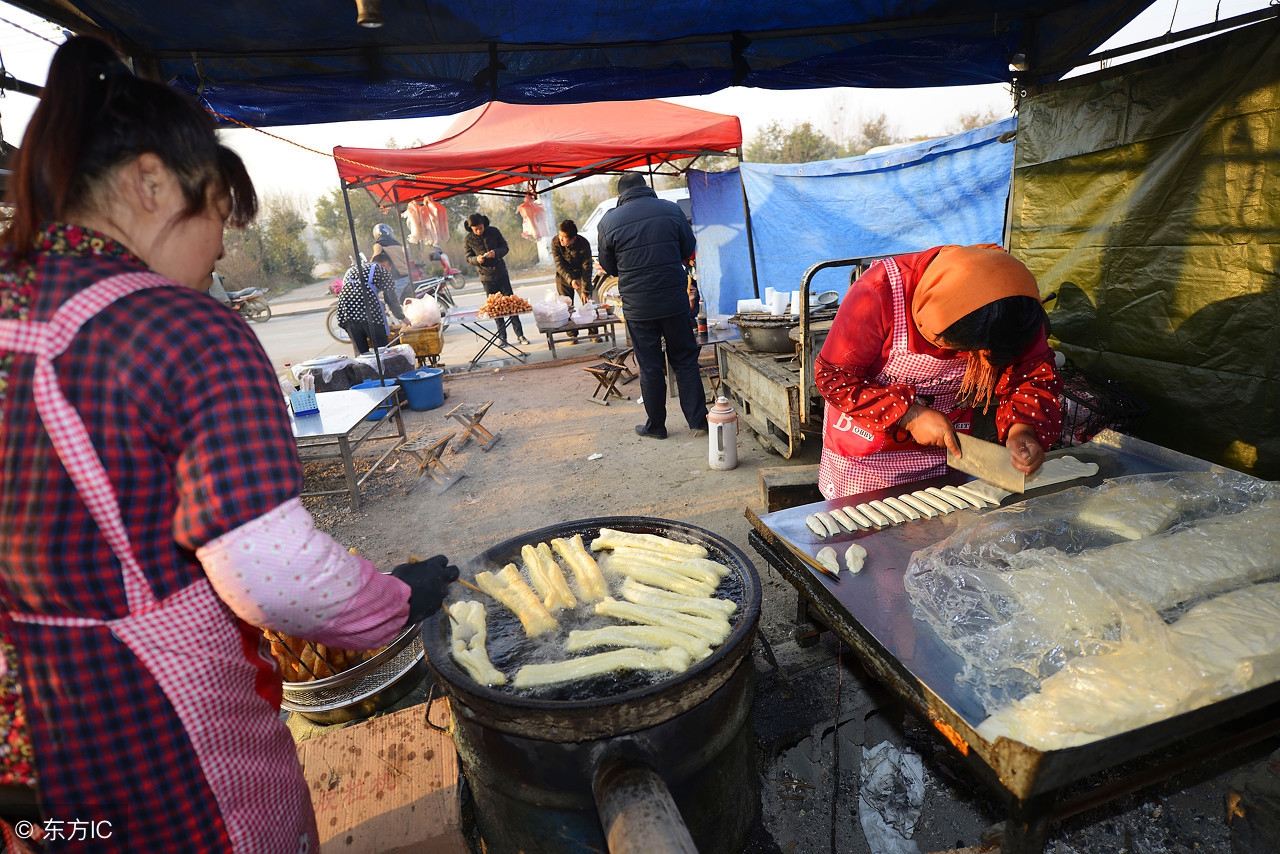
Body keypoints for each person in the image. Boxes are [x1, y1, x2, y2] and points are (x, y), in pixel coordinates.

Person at [0, 36, 459, 853]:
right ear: (150, 180)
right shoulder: (179, 329)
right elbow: (276, 578)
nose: (218, 249)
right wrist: (394, 600)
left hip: (29, 759)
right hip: (156, 737)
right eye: (216, 214)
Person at [813, 244, 1063, 499]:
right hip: (867, 461)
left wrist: (1022, 428)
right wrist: (909, 415)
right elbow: (834, 377)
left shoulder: (1012, 307)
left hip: (948, 454)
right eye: (968, 353)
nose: (979, 361)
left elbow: (1031, 377)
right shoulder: (877, 294)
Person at [597, 173, 707, 439]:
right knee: (685, 361)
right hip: (673, 302)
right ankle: (698, 423)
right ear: (646, 187)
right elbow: (688, 248)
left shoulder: (609, 221)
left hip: (639, 306)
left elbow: (610, 267)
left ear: (620, 195)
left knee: (649, 366)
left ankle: (656, 427)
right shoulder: (670, 210)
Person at [464, 213, 529, 345]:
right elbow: (468, 257)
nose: (478, 231)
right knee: (495, 308)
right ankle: (502, 338)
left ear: (484, 224)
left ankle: (520, 335)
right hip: (486, 277)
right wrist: (477, 259)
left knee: (511, 304)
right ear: (471, 228)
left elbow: (505, 248)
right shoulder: (468, 239)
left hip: (501, 273)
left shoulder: (493, 231)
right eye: (475, 229)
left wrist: (496, 253)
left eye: (480, 228)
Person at [338, 251, 406, 354]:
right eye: (390, 267)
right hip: (369, 314)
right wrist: (402, 317)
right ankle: (383, 369)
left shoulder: (352, 270)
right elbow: (390, 298)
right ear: (386, 264)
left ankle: (364, 369)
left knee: (361, 354)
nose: (390, 271)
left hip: (347, 313)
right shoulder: (382, 270)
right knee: (381, 350)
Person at [551, 219, 592, 343]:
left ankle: (593, 333)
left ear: (573, 238)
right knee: (566, 305)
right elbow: (560, 264)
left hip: (581, 273)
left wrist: (585, 289)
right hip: (564, 276)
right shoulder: (555, 242)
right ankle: (572, 335)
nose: (561, 240)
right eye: (560, 236)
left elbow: (587, 268)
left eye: (564, 238)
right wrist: (571, 280)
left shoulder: (583, 243)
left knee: (587, 301)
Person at [372, 222, 416, 300]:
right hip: (407, 276)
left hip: (397, 279)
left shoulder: (379, 245)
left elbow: (374, 260)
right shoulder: (398, 244)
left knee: (389, 303)